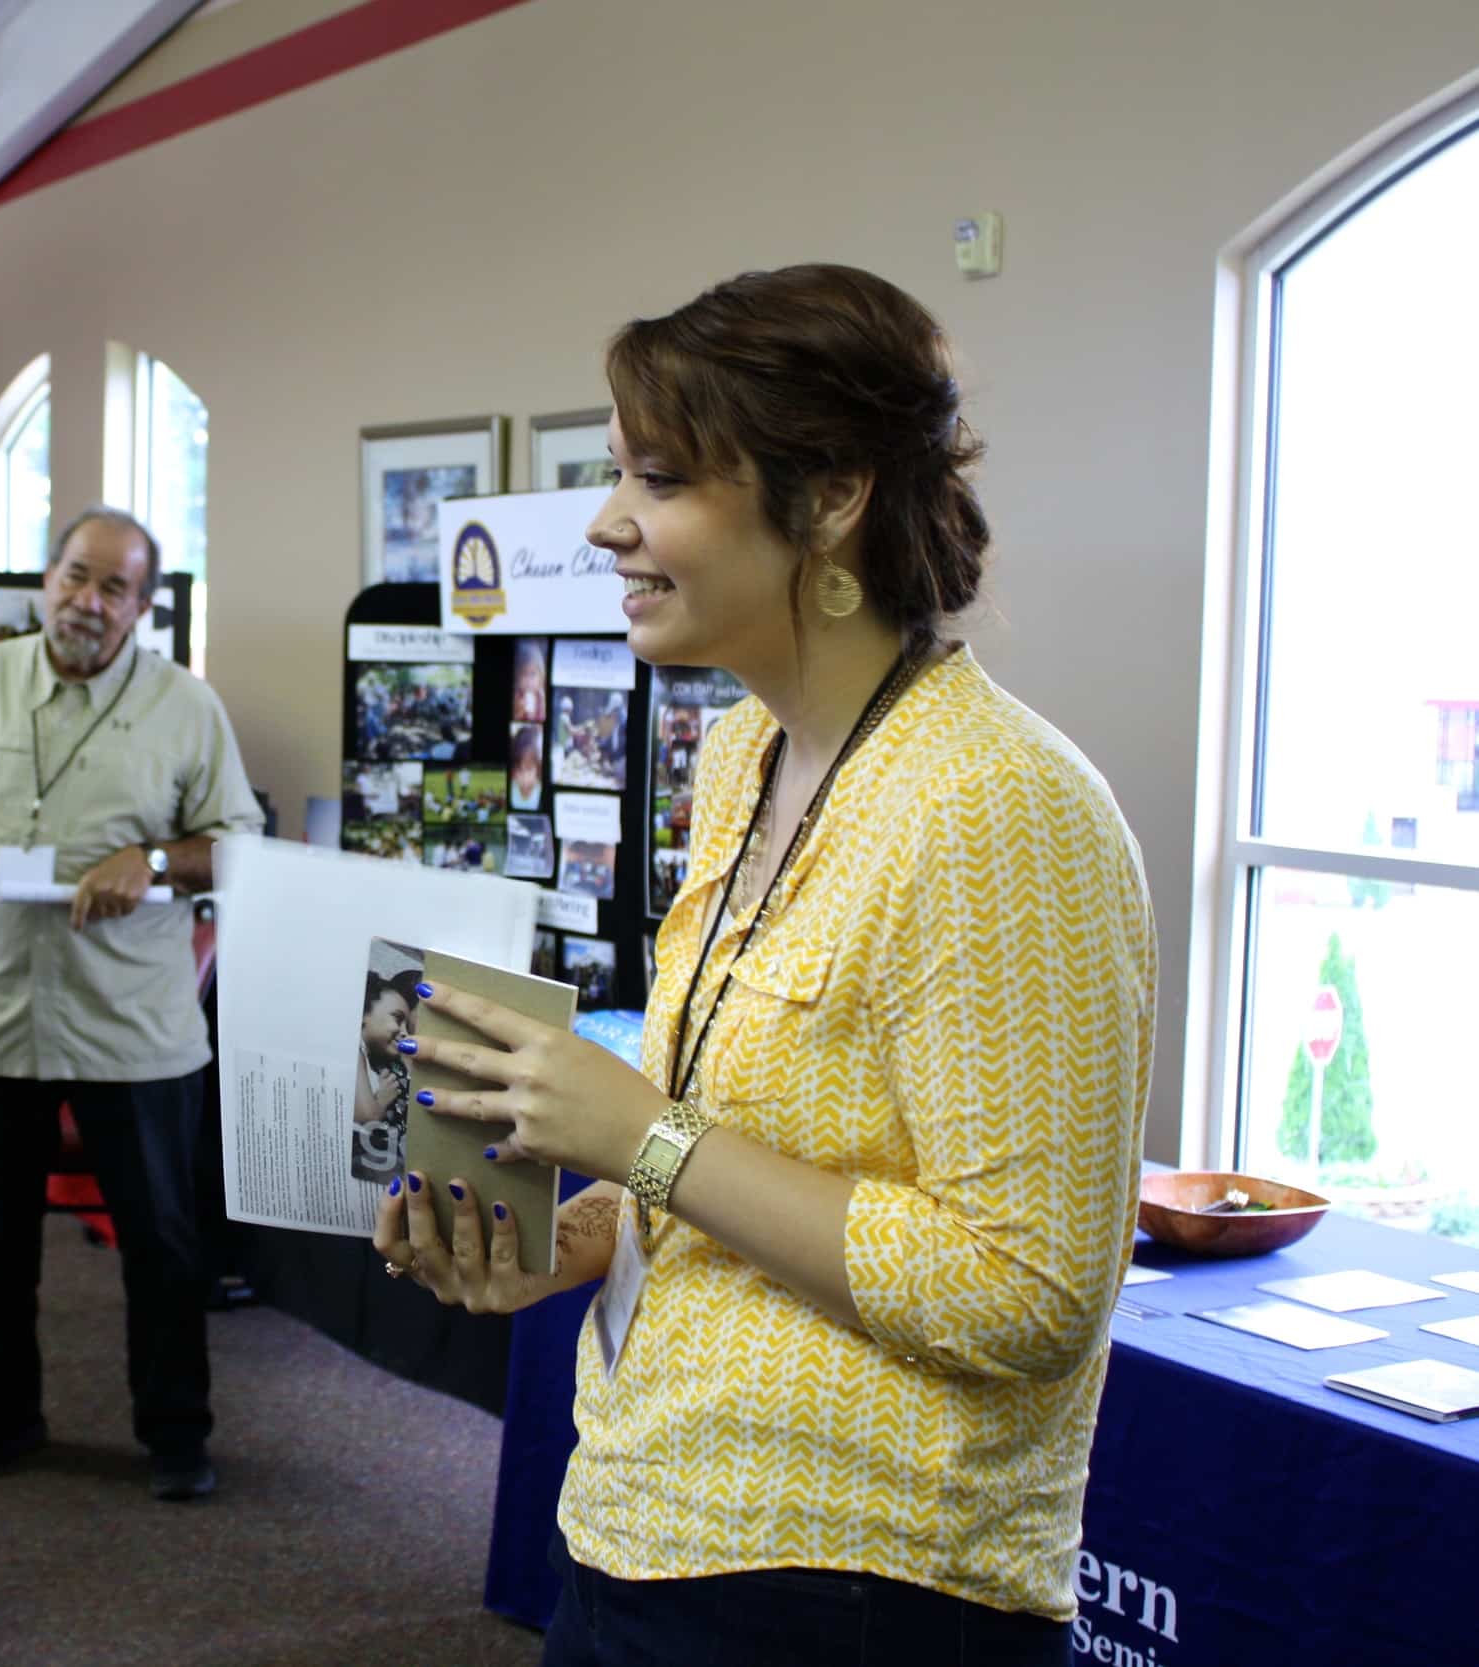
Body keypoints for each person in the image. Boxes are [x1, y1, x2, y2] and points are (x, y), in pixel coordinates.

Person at [374, 265, 1156, 1666]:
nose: (609, 523)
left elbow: (1029, 1289)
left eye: (660, 478)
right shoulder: (742, 754)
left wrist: (643, 1138)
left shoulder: (996, 805)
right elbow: (743, 1146)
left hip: (860, 1587)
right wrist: (576, 1238)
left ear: (833, 495)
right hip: (643, 1509)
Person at [0, 506, 263, 1504]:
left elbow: (236, 843)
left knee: (159, 1241)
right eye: (76, 575)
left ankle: (173, 1431)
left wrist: (152, 858)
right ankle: (3, 1414)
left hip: (132, 1022)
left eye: (114, 587)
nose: (88, 599)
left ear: (143, 606)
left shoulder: (185, 706)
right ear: (46, 578)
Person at [350, 973, 417, 1184]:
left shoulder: (378, 1059)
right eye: (397, 1018)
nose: (404, 1032)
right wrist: (382, 1099)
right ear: (363, 1015)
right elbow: (369, 1115)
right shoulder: (356, 1051)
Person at [509, 722, 545, 812]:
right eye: (518, 769)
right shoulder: (511, 788)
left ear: (538, 768)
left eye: (528, 769)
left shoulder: (540, 791)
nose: (523, 776)